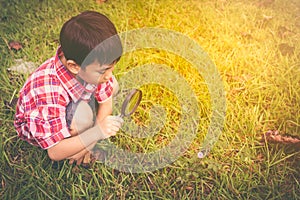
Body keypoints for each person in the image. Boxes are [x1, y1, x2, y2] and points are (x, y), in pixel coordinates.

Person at [14, 11, 124, 165]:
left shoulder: (90, 64)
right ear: (74, 66)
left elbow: (106, 103)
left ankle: (81, 141)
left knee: (114, 86)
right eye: (103, 70)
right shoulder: (49, 92)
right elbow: (55, 152)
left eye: (112, 67)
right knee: (83, 117)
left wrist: (90, 144)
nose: (109, 76)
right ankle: (75, 139)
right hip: (48, 125)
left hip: (77, 94)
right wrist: (97, 131)